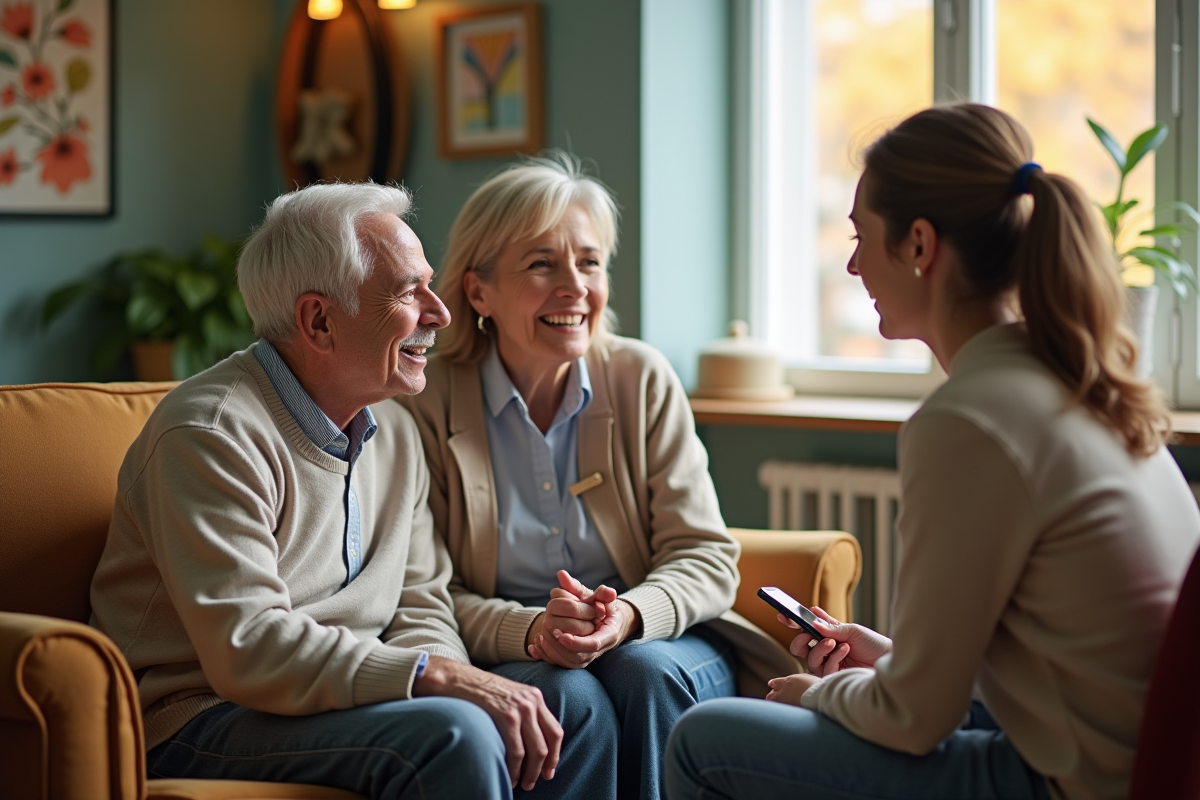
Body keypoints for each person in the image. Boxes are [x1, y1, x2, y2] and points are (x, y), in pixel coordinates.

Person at [664, 103, 1200, 800]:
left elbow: (913, 720)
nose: (853, 264)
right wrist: (889, 660)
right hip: (1116, 759)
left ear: (919, 244)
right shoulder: (1075, 385)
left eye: (862, 237)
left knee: (702, 740)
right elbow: (1050, 664)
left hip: (1072, 784)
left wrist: (819, 697)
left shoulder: (970, 420)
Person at [89, 182, 615, 800]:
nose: (439, 311)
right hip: (200, 713)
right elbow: (248, 648)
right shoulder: (210, 434)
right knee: (453, 734)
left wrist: (447, 673)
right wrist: (436, 677)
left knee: (574, 704)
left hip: (349, 693)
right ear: (318, 320)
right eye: (406, 292)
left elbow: (420, 602)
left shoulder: (392, 425)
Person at [399, 153, 798, 800]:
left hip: (656, 642)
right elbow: (424, 593)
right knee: (562, 690)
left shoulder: (640, 379)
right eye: (541, 264)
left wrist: (628, 617)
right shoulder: (424, 402)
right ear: (478, 292)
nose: (575, 287)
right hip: (515, 648)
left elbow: (706, 558)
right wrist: (534, 631)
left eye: (589, 262)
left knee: (641, 672)